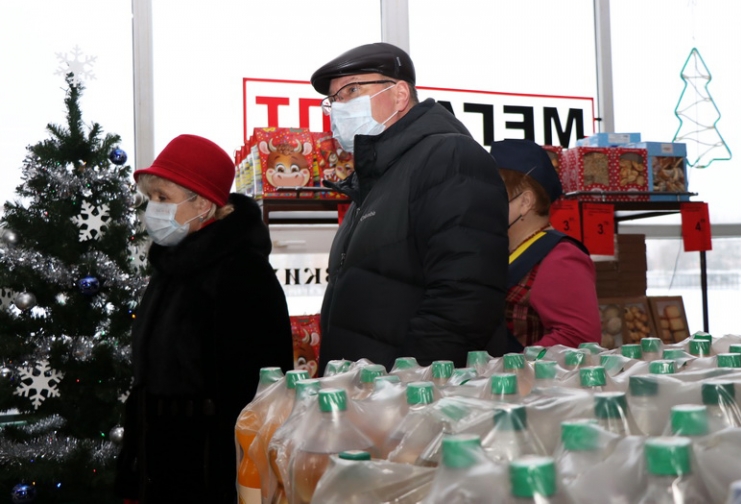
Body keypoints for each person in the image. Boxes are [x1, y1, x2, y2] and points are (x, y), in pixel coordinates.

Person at [115, 134, 294, 503]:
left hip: (209, 472)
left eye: (163, 198)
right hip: (159, 466)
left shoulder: (243, 274)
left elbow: (261, 395)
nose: (154, 209)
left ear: (203, 202)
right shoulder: (171, 266)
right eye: (151, 199)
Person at [310, 42, 509, 372]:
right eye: (334, 100)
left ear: (400, 95)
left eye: (352, 90)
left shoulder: (451, 158)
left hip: (410, 402)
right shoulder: (375, 180)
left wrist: (407, 386)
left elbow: (464, 299)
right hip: (364, 401)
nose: (340, 106)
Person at [490, 139, 601, 348]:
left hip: (528, 380)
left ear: (525, 202)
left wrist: (520, 366)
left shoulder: (561, 259)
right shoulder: (503, 251)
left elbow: (579, 337)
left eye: (494, 192)